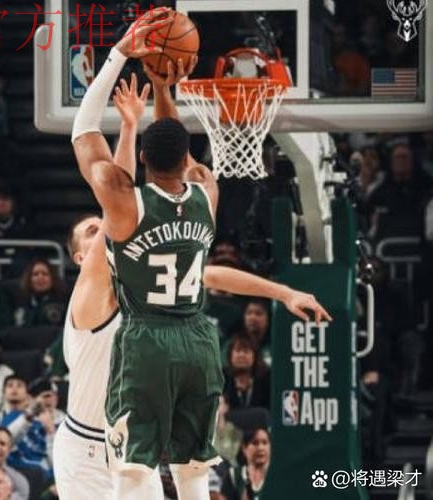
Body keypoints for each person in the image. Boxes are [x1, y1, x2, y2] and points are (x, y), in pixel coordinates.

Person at [69, 10, 331, 499]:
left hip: (146, 340)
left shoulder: (123, 204)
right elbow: (178, 146)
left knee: (132, 466)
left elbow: (83, 133)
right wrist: (163, 89)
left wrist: (119, 54)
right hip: (198, 338)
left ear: (142, 158)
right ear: (188, 159)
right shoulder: (205, 190)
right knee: (193, 467)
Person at [220, 428, 271, 500]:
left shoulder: (278, 476)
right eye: (255, 443)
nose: (260, 448)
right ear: (244, 448)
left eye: (265, 442)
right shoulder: (234, 476)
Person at [14, 259, 67, 328]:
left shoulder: (63, 302)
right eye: (35, 274)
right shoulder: (20, 302)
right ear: (29, 278)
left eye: (45, 274)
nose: (40, 277)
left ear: (52, 278)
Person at [223, 334, 270, 411]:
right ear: (230, 356)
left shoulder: (266, 381)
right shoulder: (223, 380)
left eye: (246, 351)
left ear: (255, 356)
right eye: (238, 350)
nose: (241, 355)